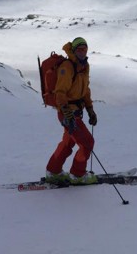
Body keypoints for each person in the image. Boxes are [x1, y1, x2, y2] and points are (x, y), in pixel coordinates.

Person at [45, 37, 98, 185]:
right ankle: (78, 175)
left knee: (68, 142)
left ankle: (53, 171)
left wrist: (90, 110)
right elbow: (60, 93)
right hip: (67, 112)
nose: (83, 52)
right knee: (87, 142)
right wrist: (66, 112)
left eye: (85, 49)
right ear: (74, 50)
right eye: (80, 49)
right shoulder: (67, 67)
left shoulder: (84, 66)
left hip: (75, 112)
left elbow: (85, 90)